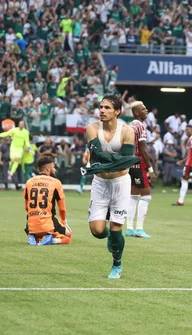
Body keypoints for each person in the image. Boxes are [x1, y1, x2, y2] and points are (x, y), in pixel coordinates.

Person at [83, 95, 140, 279]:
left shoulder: (127, 131)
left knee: (117, 226)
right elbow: (96, 155)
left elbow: (124, 165)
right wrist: (113, 160)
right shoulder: (91, 128)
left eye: (107, 108)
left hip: (121, 184)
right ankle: (111, 238)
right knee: (97, 231)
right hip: (99, 183)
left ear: (117, 111)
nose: (102, 111)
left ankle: (117, 264)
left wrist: (104, 162)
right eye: (101, 107)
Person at [24, 152, 72, 246]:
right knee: (69, 237)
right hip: (48, 222)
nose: (54, 169)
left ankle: (33, 236)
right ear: (48, 169)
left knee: (39, 230)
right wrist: (64, 222)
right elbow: (62, 209)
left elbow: (27, 207)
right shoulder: (55, 183)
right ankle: (52, 240)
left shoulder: (29, 182)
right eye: (53, 167)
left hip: (30, 224)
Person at [126, 101, 156, 238]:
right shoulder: (140, 126)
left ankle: (129, 228)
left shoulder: (130, 125)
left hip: (130, 164)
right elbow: (143, 149)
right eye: (143, 109)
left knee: (134, 196)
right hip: (139, 164)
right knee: (146, 196)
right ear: (137, 112)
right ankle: (139, 228)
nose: (147, 110)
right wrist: (150, 169)